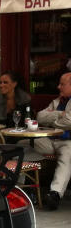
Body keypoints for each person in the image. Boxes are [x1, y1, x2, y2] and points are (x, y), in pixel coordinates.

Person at [35, 72, 71, 210]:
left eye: (62, 84)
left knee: (67, 157)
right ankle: (20, 186)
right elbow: (40, 116)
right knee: (24, 146)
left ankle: (55, 194)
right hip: (50, 140)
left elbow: (69, 121)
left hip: (68, 141)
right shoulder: (57, 101)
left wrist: (52, 121)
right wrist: (59, 115)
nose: (58, 86)